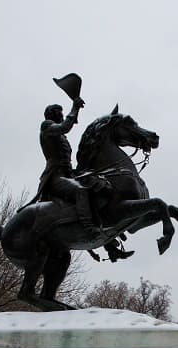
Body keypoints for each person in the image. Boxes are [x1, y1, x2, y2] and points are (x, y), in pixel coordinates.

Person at [25, 100, 133, 262]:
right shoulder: (47, 127)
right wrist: (75, 108)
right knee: (81, 190)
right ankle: (89, 228)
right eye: (59, 113)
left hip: (68, 174)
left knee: (97, 185)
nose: (62, 116)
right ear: (52, 115)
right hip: (55, 177)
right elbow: (65, 126)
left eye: (62, 113)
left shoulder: (60, 136)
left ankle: (110, 246)